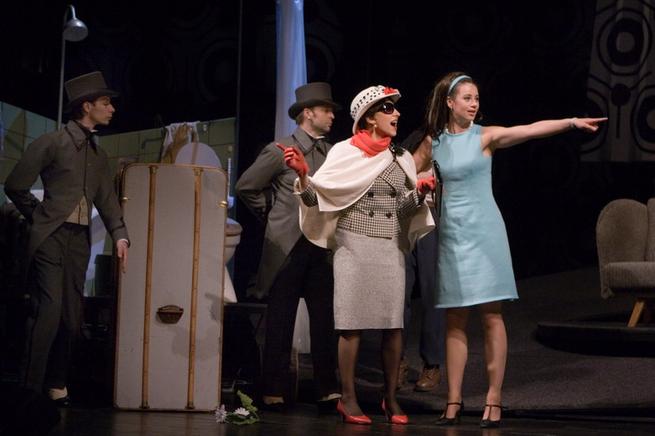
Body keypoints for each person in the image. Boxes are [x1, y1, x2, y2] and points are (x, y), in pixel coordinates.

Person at [413, 72, 607, 428]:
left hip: (485, 233)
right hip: (452, 236)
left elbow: (530, 129)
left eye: (476, 98)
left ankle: (494, 397)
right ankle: (453, 400)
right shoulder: (433, 142)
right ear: (450, 103)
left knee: (491, 315)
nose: (474, 104)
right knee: (454, 320)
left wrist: (571, 122)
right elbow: (405, 176)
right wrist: (419, 185)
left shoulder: (486, 136)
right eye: (467, 98)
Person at [279, 85, 435, 425]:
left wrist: (420, 193)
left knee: (393, 326)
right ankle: (348, 399)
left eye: (395, 108)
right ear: (369, 118)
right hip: (353, 246)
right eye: (388, 109)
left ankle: (390, 398)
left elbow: (402, 210)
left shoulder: (401, 157)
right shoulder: (344, 152)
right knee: (351, 325)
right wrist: (304, 176)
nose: (396, 114)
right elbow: (316, 200)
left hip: (389, 248)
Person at [4, 71, 129, 405]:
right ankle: (29, 389)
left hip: (78, 240)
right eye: (106, 103)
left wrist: (120, 236)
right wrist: (40, 216)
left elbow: (107, 202)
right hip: (50, 236)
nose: (112, 109)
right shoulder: (53, 142)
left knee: (72, 318)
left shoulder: (98, 156)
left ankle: (56, 382)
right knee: (49, 309)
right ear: (86, 106)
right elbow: (15, 185)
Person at [235, 82, 341, 412]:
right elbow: (246, 186)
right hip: (287, 245)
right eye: (326, 110)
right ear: (308, 113)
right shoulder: (280, 149)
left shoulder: (331, 152)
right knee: (281, 319)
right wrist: (272, 214)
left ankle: (327, 389)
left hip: (320, 243)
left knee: (324, 319)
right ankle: (274, 389)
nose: (332, 115)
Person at [399, 130, 445, 393]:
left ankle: (432, 363)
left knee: (431, 293)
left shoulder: (446, 154)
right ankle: (397, 361)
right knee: (399, 296)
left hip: (431, 221)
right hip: (404, 222)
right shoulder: (405, 151)